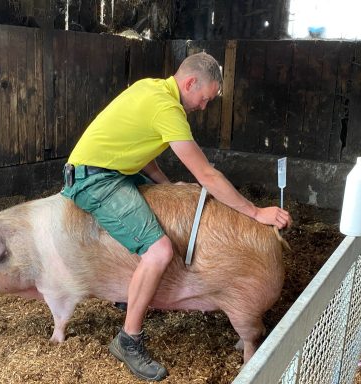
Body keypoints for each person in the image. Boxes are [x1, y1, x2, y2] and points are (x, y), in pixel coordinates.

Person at [61, 52, 292, 381]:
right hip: (94, 180)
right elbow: (207, 176)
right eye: (205, 98)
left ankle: (133, 291)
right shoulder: (168, 109)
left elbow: (143, 155)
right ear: (190, 83)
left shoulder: (152, 89)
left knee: (159, 219)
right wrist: (255, 211)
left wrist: (168, 189)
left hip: (108, 170)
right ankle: (129, 340)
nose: (203, 106)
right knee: (159, 250)